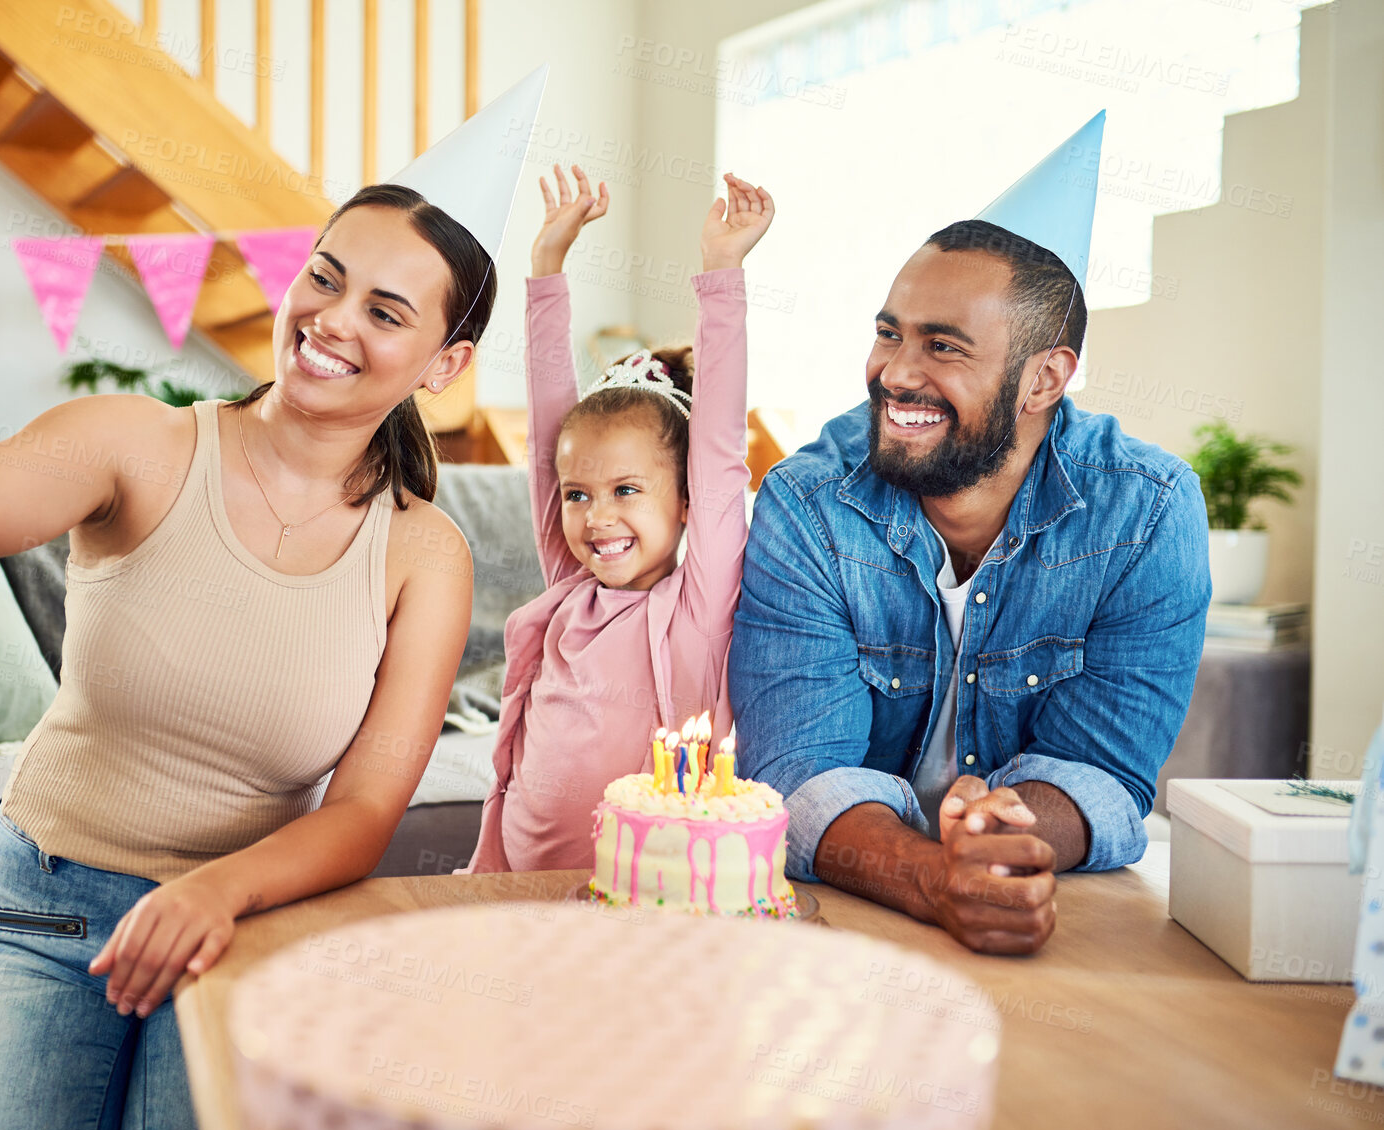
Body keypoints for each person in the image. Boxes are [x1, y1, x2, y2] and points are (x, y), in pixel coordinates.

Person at [0, 65, 543, 1130]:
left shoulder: (423, 555)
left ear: (443, 363)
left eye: (383, 311)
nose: (329, 319)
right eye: (324, 276)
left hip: (241, 922)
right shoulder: (135, 445)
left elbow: (360, 813)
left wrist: (217, 896)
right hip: (39, 914)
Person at [729, 112, 1211, 956]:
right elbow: (795, 777)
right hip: (840, 924)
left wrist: (1004, 832)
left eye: (943, 346)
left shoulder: (1149, 512)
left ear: (1046, 378)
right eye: (889, 333)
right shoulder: (807, 505)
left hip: (1047, 910)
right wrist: (934, 877)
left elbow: (1104, 771)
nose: (896, 374)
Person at [466, 163, 773, 873]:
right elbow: (550, 439)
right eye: (578, 494)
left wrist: (721, 268)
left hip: (644, 893)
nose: (596, 516)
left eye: (627, 490)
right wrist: (546, 265)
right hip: (521, 883)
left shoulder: (701, 599)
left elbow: (722, 440)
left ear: (688, 498)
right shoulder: (570, 584)